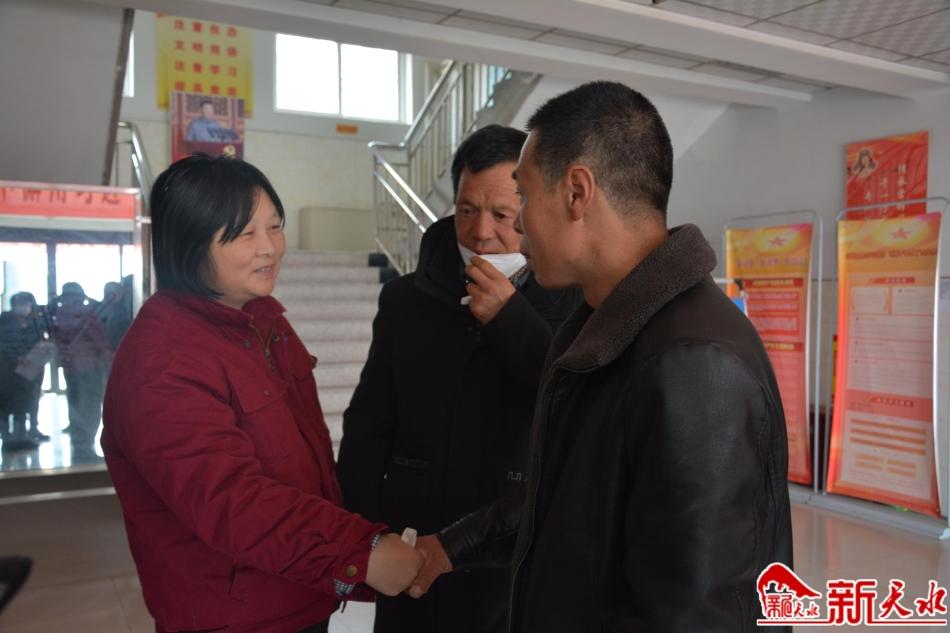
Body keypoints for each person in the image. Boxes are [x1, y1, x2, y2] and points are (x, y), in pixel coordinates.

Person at [409, 82, 794, 632]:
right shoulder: (601, 328)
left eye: (523, 197)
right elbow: (569, 507)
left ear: (576, 192)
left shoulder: (693, 363)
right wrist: (449, 548)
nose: (517, 225)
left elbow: (692, 613)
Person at [100, 154, 422, 633]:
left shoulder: (264, 320)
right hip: (233, 614)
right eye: (244, 234)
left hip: (296, 590)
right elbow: (231, 500)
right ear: (188, 242)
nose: (269, 247)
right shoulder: (163, 360)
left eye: (275, 227)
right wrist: (359, 550)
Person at [336, 124, 579, 633]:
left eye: (502, 215)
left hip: (513, 542)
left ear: (533, 210)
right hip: (412, 539)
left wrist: (511, 320)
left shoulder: (575, 299)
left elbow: (572, 406)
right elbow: (369, 424)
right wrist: (362, 537)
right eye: (467, 210)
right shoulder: (405, 300)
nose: (481, 233)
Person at [50, 282, 111, 457]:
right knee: (90, 405)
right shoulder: (86, 316)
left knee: (75, 401)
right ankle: (86, 445)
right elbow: (100, 341)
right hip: (89, 366)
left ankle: (79, 442)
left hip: (69, 365)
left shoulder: (58, 315)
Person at [0, 292, 52, 450]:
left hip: (32, 367)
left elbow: (43, 339)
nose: (22, 307)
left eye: (25, 304)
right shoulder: (4, 321)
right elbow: (4, 343)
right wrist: (17, 357)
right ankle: (8, 437)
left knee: (29, 401)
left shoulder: (35, 321)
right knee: (8, 404)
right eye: (18, 304)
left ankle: (26, 434)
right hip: (8, 369)